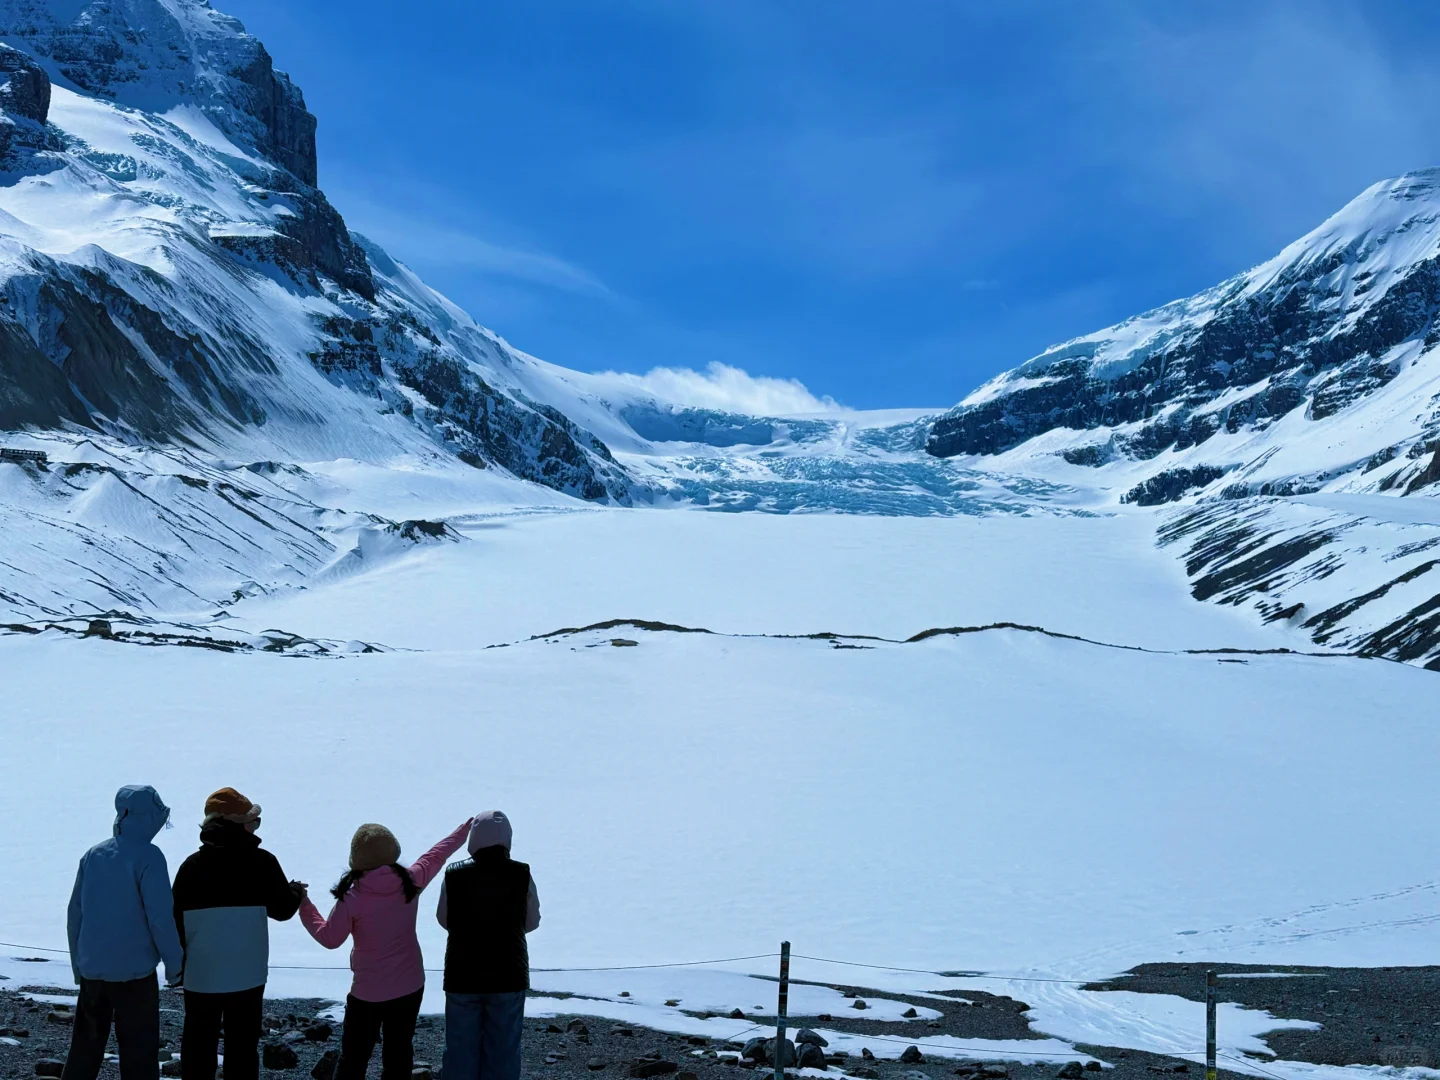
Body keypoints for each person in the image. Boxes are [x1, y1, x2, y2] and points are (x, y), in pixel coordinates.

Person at [299, 817, 472, 1080]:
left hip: (367, 992)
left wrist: (304, 904)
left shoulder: (353, 898)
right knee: (399, 1054)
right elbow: (438, 853)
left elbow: (329, 938)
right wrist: (465, 830)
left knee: (354, 1058)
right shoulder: (410, 881)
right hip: (410, 985)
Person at [171, 788, 305, 1080]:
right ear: (239, 823)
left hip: (201, 974)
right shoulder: (262, 862)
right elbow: (282, 909)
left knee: (197, 1047)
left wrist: (177, 967)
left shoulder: (190, 867)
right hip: (247, 974)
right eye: (254, 821)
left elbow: (175, 922)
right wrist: (294, 890)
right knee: (242, 1049)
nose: (256, 827)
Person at [64, 785, 184, 1080]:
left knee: (84, 1051)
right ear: (149, 816)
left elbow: (75, 915)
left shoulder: (93, 854)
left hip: (93, 971)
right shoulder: (149, 856)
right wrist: (175, 965)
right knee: (139, 1054)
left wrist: (78, 965)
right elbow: (160, 919)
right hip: (134, 976)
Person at [436, 811, 541, 1080]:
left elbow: (443, 918)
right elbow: (531, 922)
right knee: (504, 1051)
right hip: (509, 974)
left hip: (462, 973)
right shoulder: (521, 873)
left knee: (460, 1050)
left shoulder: (453, 874)